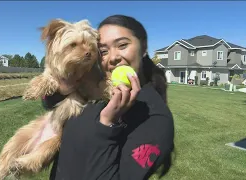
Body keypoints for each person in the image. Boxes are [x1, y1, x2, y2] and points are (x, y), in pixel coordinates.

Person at [46, 15, 175, 180]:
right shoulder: (96, 89)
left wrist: (107, 123)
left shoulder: (157, 120)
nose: (113, 57)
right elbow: (51, 103)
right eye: (103, 51)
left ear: (144, 48)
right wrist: (63, 89)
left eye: (122, 45)